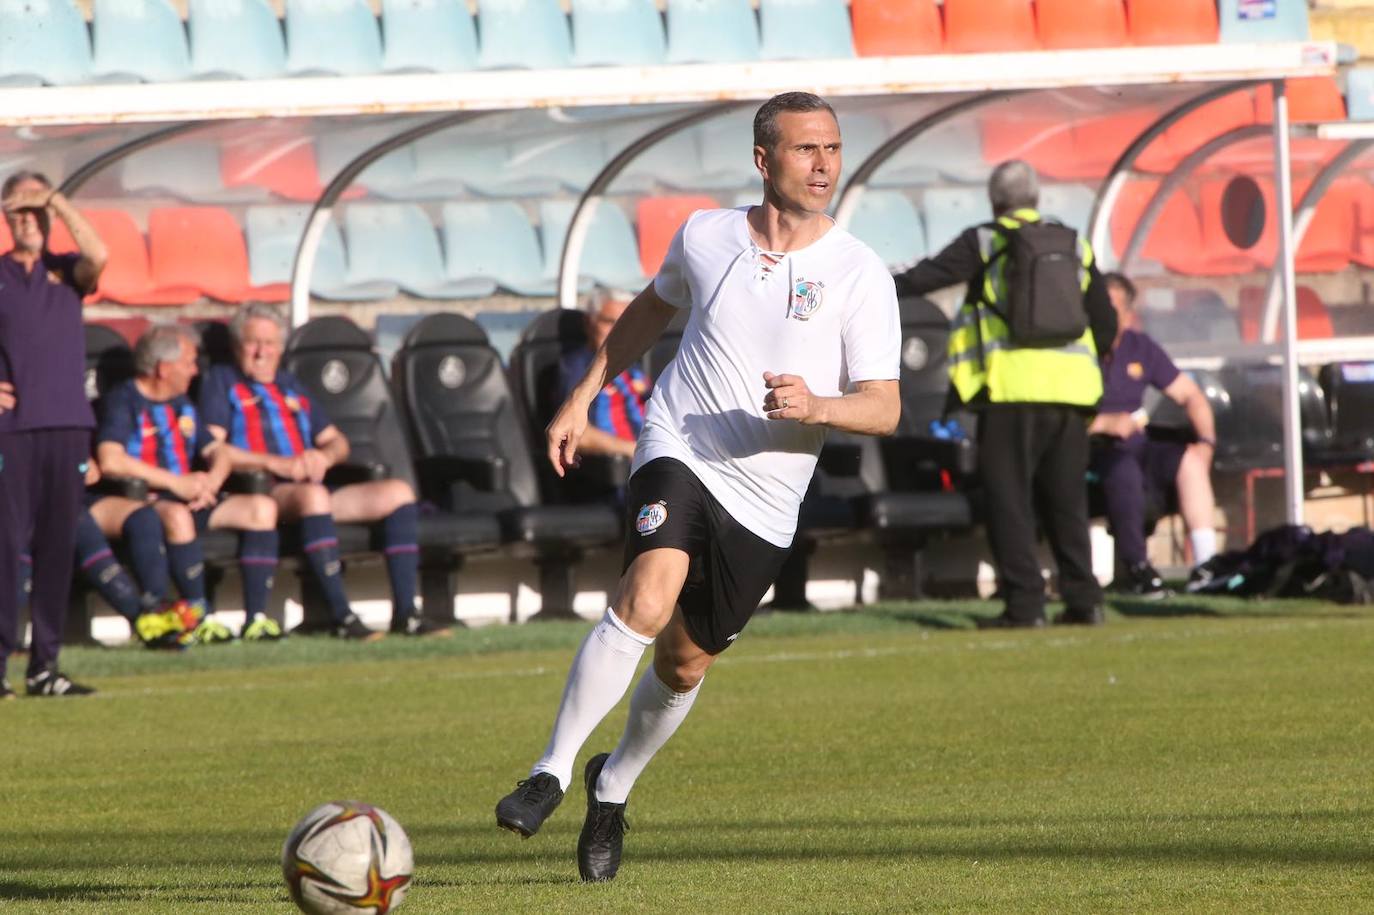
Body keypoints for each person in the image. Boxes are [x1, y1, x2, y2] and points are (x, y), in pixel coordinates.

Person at [493, 92, 900, 883]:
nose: (823, 165)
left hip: (768, 498)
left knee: (683, 664)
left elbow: (883, 405)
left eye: (833, 149)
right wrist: (581, 397)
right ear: (763, 159)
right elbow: (650, 312)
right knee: (647, 596)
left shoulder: (858, 272)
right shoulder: (706, 235)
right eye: (805, 149)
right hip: (680, 444)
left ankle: (609, 788)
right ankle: (548, 768)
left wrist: (817, 405)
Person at [893, 160, 1117, 628]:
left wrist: (869, 287)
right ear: (1036, 199)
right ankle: (1084, 600)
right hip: (1072, 393)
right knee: (1067, 501)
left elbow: (924, 278)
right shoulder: (1074, 242)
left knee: (1009, 501)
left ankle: (1026, 605)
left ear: (995, 202)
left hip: (1009, 389)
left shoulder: (985, 240)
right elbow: (1106, 321)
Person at [199, 303, 445, 640]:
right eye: (253, 343)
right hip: (261, 490)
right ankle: (340, 615)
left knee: (398, 493)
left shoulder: (291, 386)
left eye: (269, 343)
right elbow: (215, 449)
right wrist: (276, 464)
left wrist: (324, 458)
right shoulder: (221, 382)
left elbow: (337, 441)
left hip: (311, 486)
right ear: (237, 345)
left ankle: (406, 613)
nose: (261, 352)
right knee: (314, 496)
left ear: (281, 347)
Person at [91, 324, 284, 643]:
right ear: (163, 369)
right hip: (146, 501)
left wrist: (212, 480)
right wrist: (175, 483)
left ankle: (257, 619)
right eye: (189, 363)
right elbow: (111, 459)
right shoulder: (123, 401)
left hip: (192, 496)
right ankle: (199, 616)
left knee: (261, 508)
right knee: (178, 517)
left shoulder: (181, 404)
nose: (195, 371)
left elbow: (217, 451)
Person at [0, 170, 108, 697]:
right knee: (4, 547)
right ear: (5, 216)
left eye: (36, 211)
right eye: (19, 211)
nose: (29, 221)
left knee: (57, 549)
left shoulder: (66, 272)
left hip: (67, 426)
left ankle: (44, 667)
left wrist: (57, 201)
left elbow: (100, 255)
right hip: (13, 432)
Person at [1088, 273, 1218, 598]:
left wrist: (1206, 443)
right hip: (1094, 451)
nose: (1101, 315)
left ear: (1128, 315)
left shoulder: (1140, 346)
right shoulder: (1077, 350)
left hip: (1139, 445)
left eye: (1111, 308)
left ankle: (1208, 567)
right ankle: (1137, 568)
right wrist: (1103, 422)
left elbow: (1192, 397)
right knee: (1123, 469)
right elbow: (1057, 419)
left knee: (1188, 459)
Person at [558, 285, 651, 462]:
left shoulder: (633, 366)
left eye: (626, 323)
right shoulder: (576, 368)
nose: (619, 331)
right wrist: (633, 450)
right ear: (588, 323)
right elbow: (573, 432)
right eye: (609, 322)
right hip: (612, 470)